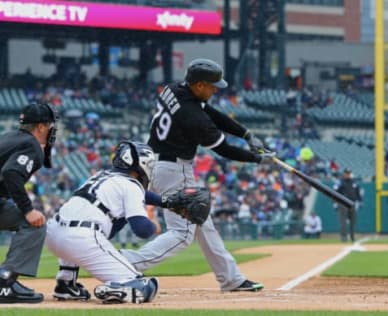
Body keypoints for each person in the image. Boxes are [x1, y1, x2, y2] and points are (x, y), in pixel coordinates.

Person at [120, 58, 275, 292]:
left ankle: (231, 279)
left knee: (203, 223)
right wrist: (256, 158)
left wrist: (246, 134)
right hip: (174, 170)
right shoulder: (193, 116)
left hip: (154, 164)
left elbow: (212, 112)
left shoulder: (174, 89)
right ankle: (126, 263)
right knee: (183, 234)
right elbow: (223, 149)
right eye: (212, 86)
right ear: (200, 85)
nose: (215, 90)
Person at [45, 141, 194, 304]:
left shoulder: (101, 175)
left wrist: (166, 202)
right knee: (145, 286)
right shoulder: (131, 185)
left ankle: (66, 284)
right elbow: (142, 229)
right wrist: (154, 225)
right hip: (82, 239)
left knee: (75, 229)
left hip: (53, 233)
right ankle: (115, 288)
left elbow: (142, 194)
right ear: (140, 165)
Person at [0, 102, 58, 303]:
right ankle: (5, 283)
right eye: (50, 125)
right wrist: (28, 210)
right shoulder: (31, 144)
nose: (52, 130)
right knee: (34, 223)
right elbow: (11, 172)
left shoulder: (8, 137)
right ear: (41, 127)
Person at [334, 168, 362, 242]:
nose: (348, 174)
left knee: (353, 221)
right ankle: (344, 237)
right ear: (344, 174)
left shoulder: (354, 182)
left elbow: (358, 193)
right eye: (346, 173)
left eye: (349, 173)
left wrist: (360, 201)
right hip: (343, 203)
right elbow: (335, 193)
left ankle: (352, 237)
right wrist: (335, 203)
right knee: (343, 221)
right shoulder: (340, 182)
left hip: (352, 203)